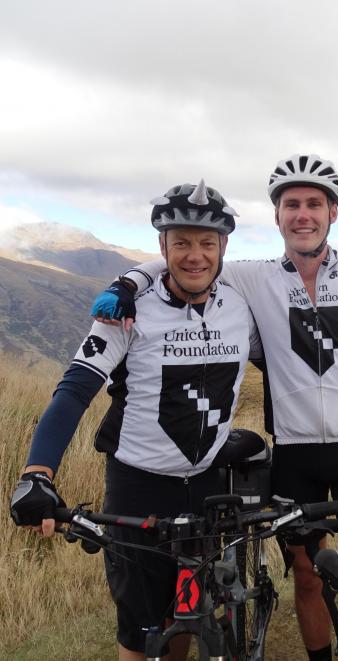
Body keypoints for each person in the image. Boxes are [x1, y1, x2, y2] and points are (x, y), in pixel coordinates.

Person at [83, 154, 338, 661]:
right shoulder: (254, 279)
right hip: (294, 455)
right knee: (307, 574)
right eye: (291, 204)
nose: (303, 214)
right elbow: (186, 258)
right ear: (276, 216)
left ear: (333, 212)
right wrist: (128, 283)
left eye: (314, 204)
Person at [10, 180, 264, 661]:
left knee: (187, 617)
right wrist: (37, 473)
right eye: (181, 242)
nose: (195, 255)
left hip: (207, 484)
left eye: (207, 243)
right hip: (138, 487)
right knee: (140, 633)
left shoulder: (240, 309)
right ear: (162, 245)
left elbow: (285, 368)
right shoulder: (127, 313)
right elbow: (75, 389)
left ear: (224, 247)